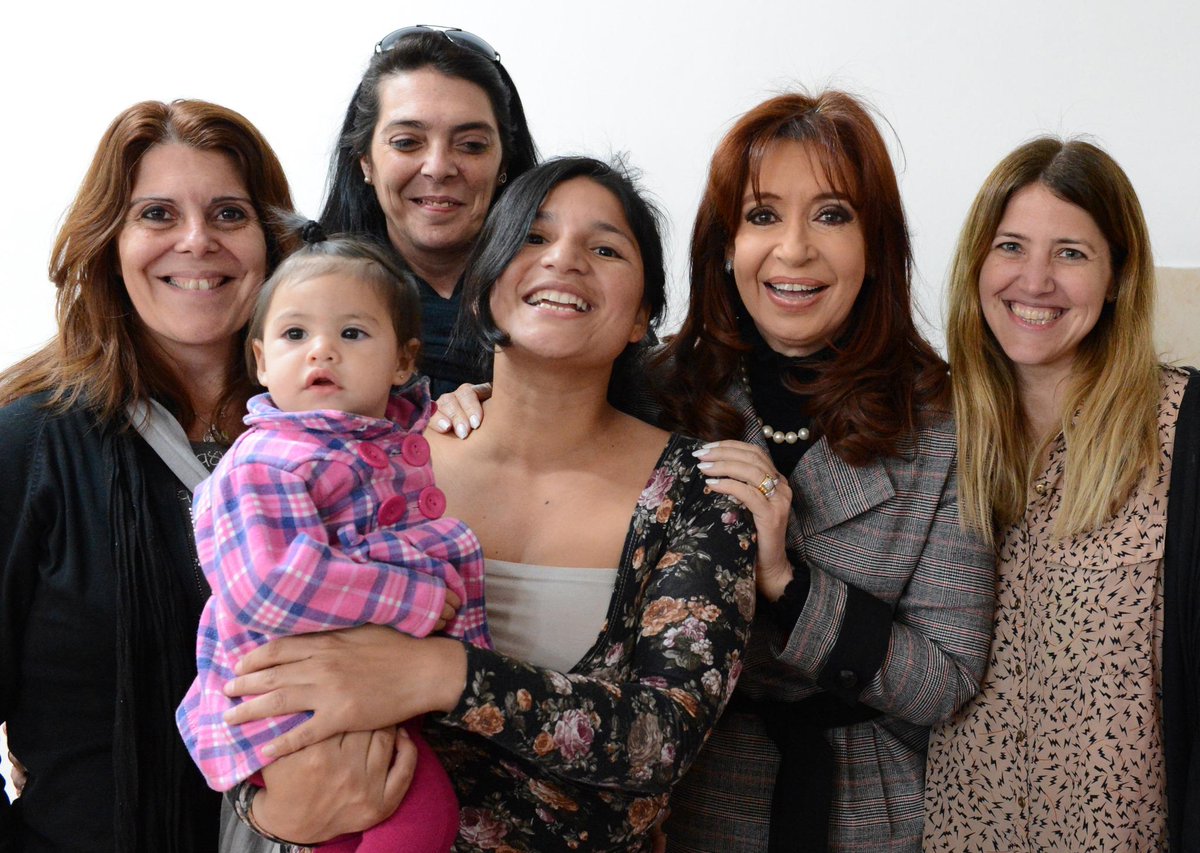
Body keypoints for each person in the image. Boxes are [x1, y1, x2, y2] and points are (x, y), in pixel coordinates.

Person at [434, 91, 996, 851]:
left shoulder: (944, 425)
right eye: (763, 215)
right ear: (726, 245)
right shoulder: (659, 387)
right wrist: (478, 402)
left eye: (832, 215)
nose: (794, 249)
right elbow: (553, 380)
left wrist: (788, 584)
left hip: (864, 800)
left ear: (875, 247)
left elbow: (946, 679)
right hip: (687, 796)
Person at [217, 157, 758, 852]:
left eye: (605, 248)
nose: (564, 259)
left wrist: (442, 675)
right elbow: (247, 651)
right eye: (533, 237)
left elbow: (662, 738)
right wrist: (272, 809)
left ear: (642, 316)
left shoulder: (699, 493)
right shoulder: (372, 462)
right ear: (482, 288)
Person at [0, 99, 295, 852]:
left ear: (272, 242)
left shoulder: (335, 442)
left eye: (229, 213)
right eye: (157, 214)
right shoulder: (29, 443)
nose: (197, 240)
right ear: (111, 243)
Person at [176, 227, 492, 853]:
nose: (322, 350)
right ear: (261, 360)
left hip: (355, 695)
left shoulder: (388, 444)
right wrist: (417, 599)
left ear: (402, 361)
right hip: (286, 704)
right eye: (295, 334)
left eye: (352, 333)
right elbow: (269, 586)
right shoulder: (262, 462)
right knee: (423, 819)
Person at [923, 137, 1191, 851]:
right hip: (961, 833)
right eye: (1011, 247)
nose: (1035, 280)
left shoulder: (1182, 433)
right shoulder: (933, 429)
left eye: (1070, 253)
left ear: (1118, 276)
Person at [320, 24, 538, 398]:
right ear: (365, 161)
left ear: (504, 163)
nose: (438, 168)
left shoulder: (558, 290)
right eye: (407, 142)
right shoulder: (304, 292)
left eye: (471, 145)